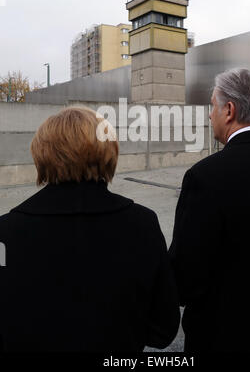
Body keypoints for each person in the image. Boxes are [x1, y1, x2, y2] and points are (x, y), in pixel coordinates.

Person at [0, 107, 179, 352]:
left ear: (41, 154)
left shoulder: (5, 232)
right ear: (108, 152)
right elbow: (163, 329)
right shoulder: (143, 225)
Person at [169, 68, 250, 352]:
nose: (209, 115)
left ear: (229, 110)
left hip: (227, 336)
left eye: (212, 106)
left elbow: (184, 279)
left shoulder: (205, 177)